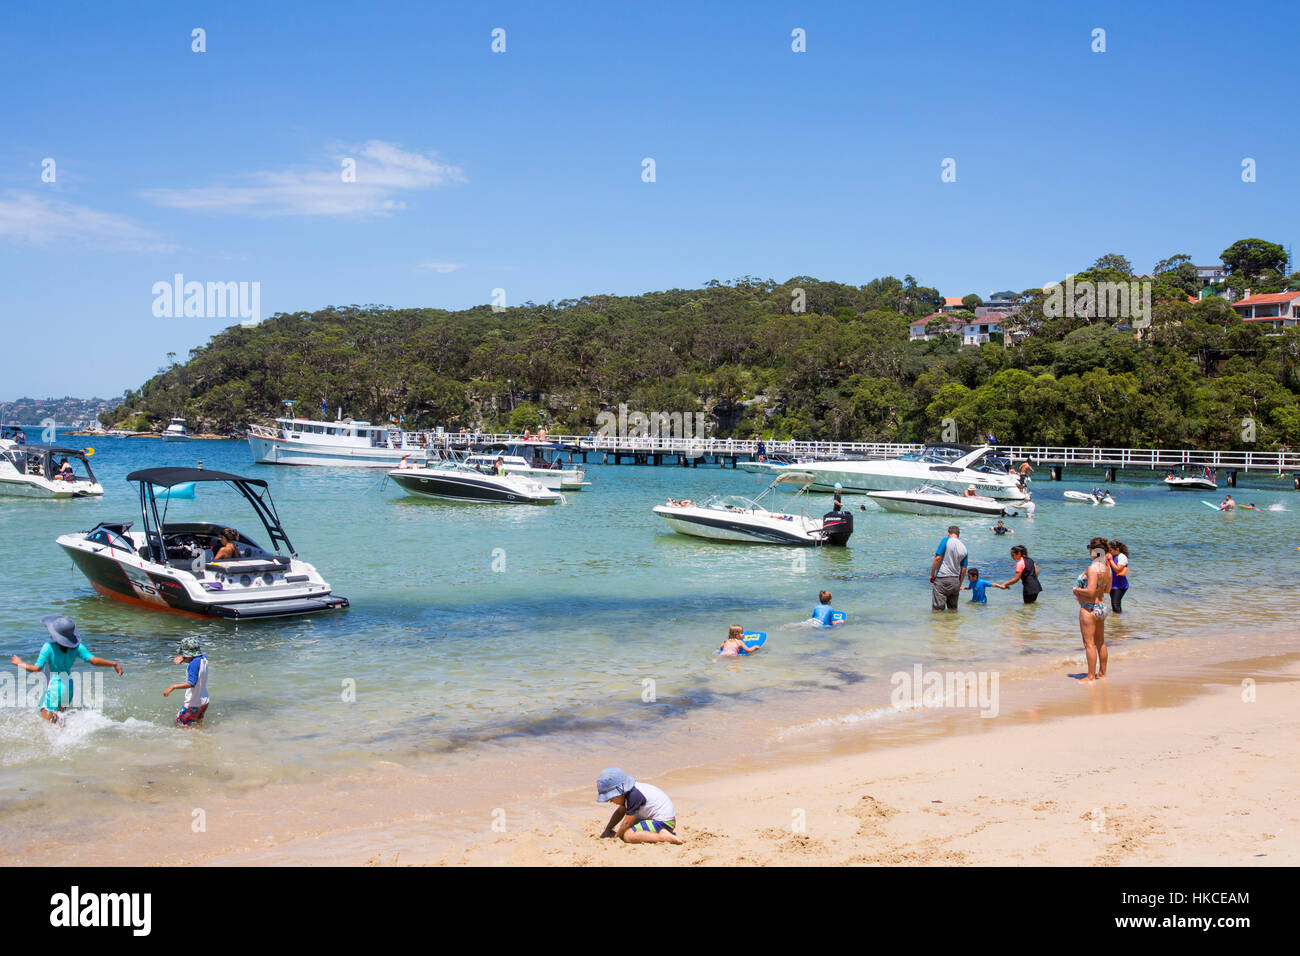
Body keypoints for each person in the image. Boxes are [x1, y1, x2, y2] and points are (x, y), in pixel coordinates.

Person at [9, 616, 123, 723]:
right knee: (59, 718)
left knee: (50, 723)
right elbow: (93, 661)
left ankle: (64, 740)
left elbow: (36, 668)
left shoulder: (48, 647)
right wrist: (113, 663)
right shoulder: (78, 647)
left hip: (54, 688)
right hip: (68, 686)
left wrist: (20, 663)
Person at [597, 768, 681, 844]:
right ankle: (659, 833)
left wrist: (616, 838)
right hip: (660, 819)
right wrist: (608, 829)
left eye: (610, 798)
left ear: (620, 792)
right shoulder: (629, 792)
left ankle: (661, 837)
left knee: (628, 835)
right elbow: (619, 812)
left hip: (663, 822)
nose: (610, 801)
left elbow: (626, 823)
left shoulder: (634, 796)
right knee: (627, 827)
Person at [1073, 537, 1113, 682]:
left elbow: (1090, 591)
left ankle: (1090, 676)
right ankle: (1102, 673)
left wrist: (1077, 590)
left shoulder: (1092, 568)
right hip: (1102, 606)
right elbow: (1108, 590)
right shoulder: (1107, 568)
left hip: (1089, 607)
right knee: (1100, 642)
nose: (1088, 550)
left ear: (1095, 551)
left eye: (1089, 547)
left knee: (1089, 644)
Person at [163, 637, 209, 726]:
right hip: (204, 701)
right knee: (197, 724)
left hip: (193, 704)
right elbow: (195, 657)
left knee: (180, 723)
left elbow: (191, 683)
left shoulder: (193, 665)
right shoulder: (204, 659)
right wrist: (183, 658)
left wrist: (173, 687)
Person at [929, 526, 968, 612]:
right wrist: (959, 584)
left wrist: (931, 574)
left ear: (948, 533)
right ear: (958, 535)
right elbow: (964, 569)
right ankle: (952, 625)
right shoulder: (964, 547)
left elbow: (937, 558)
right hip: (955, 581)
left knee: (937, 610)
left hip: (942, 578)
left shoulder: (946, 540)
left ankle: (938, 625)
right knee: (953, 610)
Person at [1107, 541, 1129, 614]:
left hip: (1120, 586)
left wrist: (1110, 560)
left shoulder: (1122, 557)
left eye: (1110, 550)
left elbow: (1117, 569)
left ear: (1117, 549)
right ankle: (1117, 621)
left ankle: (1117, 622)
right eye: (1108, 550)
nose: (1109, 552)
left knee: (1115, 604)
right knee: (1115, 604)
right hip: (1112, 585)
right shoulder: (1112, 556)